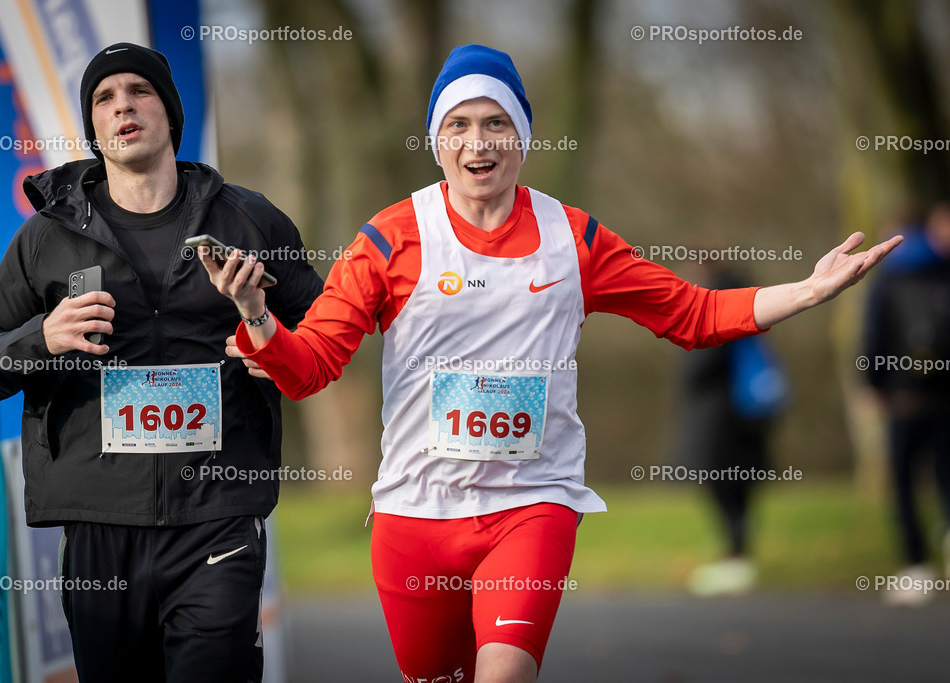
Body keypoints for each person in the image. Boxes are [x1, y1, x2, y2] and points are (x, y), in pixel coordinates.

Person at [201, 45, 900, 683]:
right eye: (460, 125)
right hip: (415, 515)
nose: (479, 142)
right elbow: (314, 363)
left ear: (523, 138)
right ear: (437, 141)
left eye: (497, 123)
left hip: (531, 504)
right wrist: (260, 319)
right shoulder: (389, 237)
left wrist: (807, 290)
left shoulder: (575, 238)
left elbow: (691, 313)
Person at [0, 43, 323, 681]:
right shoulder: (44, 237)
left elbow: (322, 340)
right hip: (100, 522)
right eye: (104, 98)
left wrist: (260, 323)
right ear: (94, 129)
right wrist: (42, 339)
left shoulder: (249, 220)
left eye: (139, 91)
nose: (122, 105)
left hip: (218, 510)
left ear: (169, 114)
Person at [676, 264, 788, 597]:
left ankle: (736, 558)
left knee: (724, 487)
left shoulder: (712, 309)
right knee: (739, 488)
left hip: (722, 422)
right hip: (747, 417)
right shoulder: (746, 306)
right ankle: (737, 556)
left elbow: (698, 369)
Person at [863, 203, 950, 606]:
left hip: (905, 397)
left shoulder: (890, 276)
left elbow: (874, 334)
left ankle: (917, 568)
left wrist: (872, 385)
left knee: (904, 484)